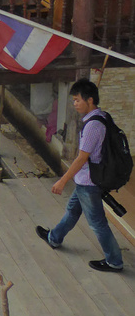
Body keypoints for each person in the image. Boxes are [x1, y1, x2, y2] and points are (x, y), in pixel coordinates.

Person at [35, 78, 124, 273]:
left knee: (98, 223)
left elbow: (82, 158)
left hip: (89, 182)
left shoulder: (93, 126)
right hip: (88, 180)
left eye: (77, 100)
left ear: (89, 100)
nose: (74, 104)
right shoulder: (102, 116)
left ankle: (114, 261)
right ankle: (54, 238)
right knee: (73, 211)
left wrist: (62, 181)